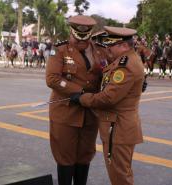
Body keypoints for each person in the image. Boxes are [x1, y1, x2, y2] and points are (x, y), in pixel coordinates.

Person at [70, 26, 145, 185]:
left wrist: (82, 98)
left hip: (118, 129)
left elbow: (107, 98)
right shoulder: (125, 60)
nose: (108, 50)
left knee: (120, 177)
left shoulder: (126, 66)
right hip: (118, 127)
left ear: (124, 46)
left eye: (111, 45)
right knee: (121, 173)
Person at [45, 15, 107, 185]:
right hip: (66, 112)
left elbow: (110, 73)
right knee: (65, 157)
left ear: (90, 34)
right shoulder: (59, 50)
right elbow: (52, 78)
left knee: (85, 155)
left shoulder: (100, 50)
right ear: (71, 32)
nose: (81, 41)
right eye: (78, 37)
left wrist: (131, 82)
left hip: (90, 113)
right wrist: (79, 92)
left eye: (85, 37)